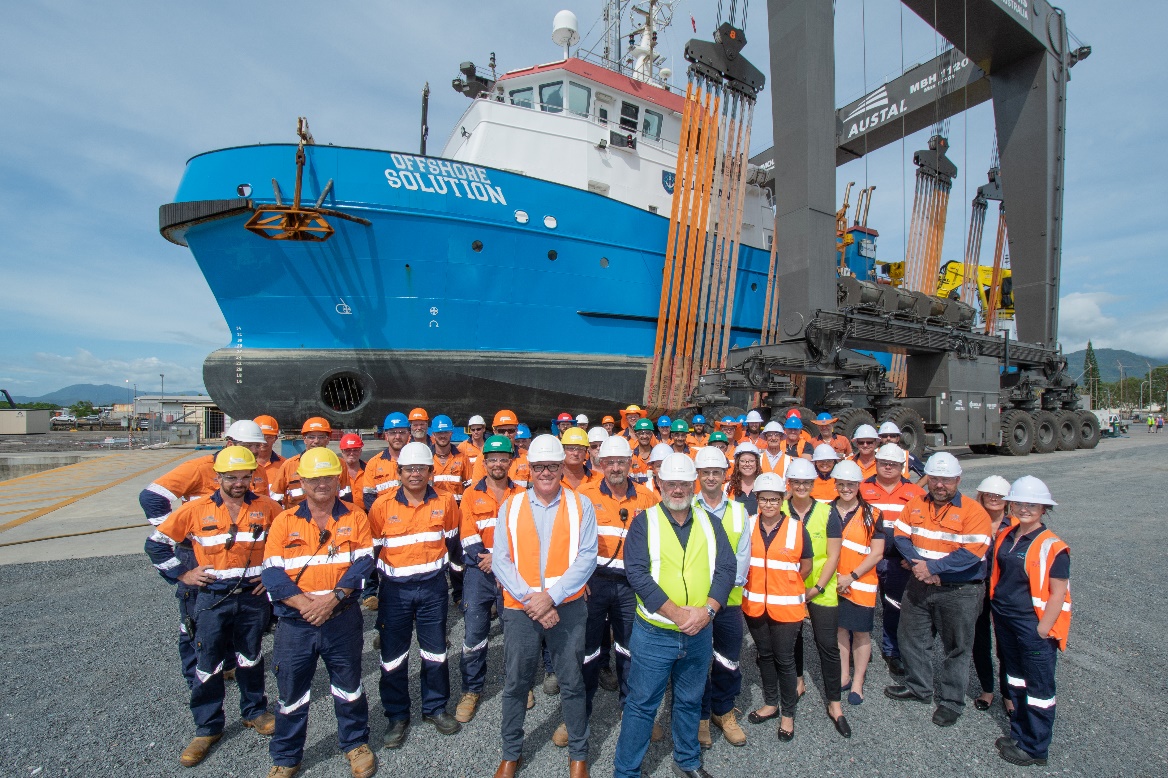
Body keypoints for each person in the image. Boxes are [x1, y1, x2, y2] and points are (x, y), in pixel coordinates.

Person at [144, 446, 282, 767]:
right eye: (231, 477)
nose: (238, 483)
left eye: (245, 477)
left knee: (250, 655)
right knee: (207, 659)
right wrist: (183, 574)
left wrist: (272, 577)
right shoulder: (196, 510)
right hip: (212, 596)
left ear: (252, 476)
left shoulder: (267, 508)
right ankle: (207, 726)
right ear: (217, 476)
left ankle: (255, 711)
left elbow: (288, 543)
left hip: (251, 595)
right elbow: (156, 544)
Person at [613, 453, 736, 778]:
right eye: (671, 484)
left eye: (683, 483)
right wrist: (678, 614)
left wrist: (708, 610)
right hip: (655, 633)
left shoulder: (710, 523)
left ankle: (688, 761)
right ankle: (626, 772)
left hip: (699, 632)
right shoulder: (645, 523)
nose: (678, 490)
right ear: (660, 484)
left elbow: (726, 568)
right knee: (641, 705)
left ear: (692, 485)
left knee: (689, 701)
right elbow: (637, 573)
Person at [260, 448, 376, 778]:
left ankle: (355, 744)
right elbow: (271, 572)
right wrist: (307, 605)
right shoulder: (285, 521)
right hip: (297, 624)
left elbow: (364, 562)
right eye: (314, 479)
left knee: (348, 685)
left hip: (341, 619)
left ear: (338, 479)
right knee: (291, 693)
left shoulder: (354, 516)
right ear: (301, 482)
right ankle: (286, 756)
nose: (321, 484)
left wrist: (332, 600)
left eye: (327, 477)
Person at [491, 434, 598, 778]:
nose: (546, 473)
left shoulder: (581, 505)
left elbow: (587, 558)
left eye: (552, 466)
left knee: (571, 681)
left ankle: (578, 754)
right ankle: (511, 753)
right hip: (521, 610)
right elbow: (501, 561)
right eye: (539, 467)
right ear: (530, 469)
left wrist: (549, 597)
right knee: (516, 683)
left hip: (565, 608)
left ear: (562, 468)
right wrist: (532, 600)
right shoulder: (511, 506)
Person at [140, 419, 270, 689]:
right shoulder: (199, 468)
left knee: (235, 617)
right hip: (197, 553)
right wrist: (181, 532)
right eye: (249, 447)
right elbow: (152, 496)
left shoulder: (256, 471)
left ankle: (231, 666)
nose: (255, 453)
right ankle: (197, 680)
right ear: (229, 444)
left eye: (258, 448)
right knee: (196, 620)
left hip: (240, 559)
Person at [548, 436, 658, 746]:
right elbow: (569, 542)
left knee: (630, 649)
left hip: (630, 587)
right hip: (593, 585)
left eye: (621, 462)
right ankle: (576, 716)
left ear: (630, 464)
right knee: (587, 651)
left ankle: (633, 713)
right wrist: (576, 582)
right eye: (609, 463)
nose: (615, 468)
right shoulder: (584, 495)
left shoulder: (648, 500)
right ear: (601, 464)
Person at [885, 452, 992, 728]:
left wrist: (933, 569)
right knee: (912, 638)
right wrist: (918, 564)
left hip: (959, 591)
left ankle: (951, 702)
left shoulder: (973, 511)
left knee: (957, 646)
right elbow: (900, 535)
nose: (939, 485)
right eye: (934, 479)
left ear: (958, 479)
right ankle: (919, 687)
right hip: (919, 584)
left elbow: (972, 552)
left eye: (946, 480)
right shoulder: (916, 504)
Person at [369, 442, 462, 748]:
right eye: (409, 469)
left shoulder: (446, 503)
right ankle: (397, 715)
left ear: (430, 472)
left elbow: (451, 541)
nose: (415, 474)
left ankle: (435, 708)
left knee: (434, 651)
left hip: (433, 590)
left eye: (421, 468)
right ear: (400, 472)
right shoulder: (382, 507)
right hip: (394, 593)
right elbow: (372, 550)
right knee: (393, 657)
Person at [990, 476, 1071, 767]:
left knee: (1038, 688)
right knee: (1016, 679)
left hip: (1032, 624)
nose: (1024, 509)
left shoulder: (1053, 546)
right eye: (1019, 503)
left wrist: (1043, 628)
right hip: (1006, 618)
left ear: (1044, 509)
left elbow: (1058, 591)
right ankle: (1020, 734)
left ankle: (1036, 748)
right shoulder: (1007, 535)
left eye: (1032, 505)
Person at [456, 436, 526, 723]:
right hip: (479, 572)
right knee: (474, 632)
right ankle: (471, 689)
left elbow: (526, 536)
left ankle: (518, 685)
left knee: (515, 631)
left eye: (503, 458)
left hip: (512, 572)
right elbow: (468, 535)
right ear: (483, 463)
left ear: (511, 461)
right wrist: (490, 561)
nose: (498, 464)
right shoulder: (471, 494)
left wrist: (499, 561)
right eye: (492, 459)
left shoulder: (523, 494)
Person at [740, 472, 813, 742]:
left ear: (783, 500)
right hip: (755, 605)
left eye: (774, 499)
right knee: (765, 655)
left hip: (787, 609)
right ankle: (771, 704)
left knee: (785, 660)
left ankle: (788, 714)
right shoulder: (747, 525)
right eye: (764, 499)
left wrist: (786, 585)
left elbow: (806, 566)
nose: (769, 504)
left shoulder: (796, 528)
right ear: (757, 499)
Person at [784, 458, 850, 738]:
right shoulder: (780, 509)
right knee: (793, 639)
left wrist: (819, 588)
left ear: (813, 484)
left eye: (806, 482)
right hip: (789, 588)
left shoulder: (827, 512)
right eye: (796, 481)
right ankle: (799, 681)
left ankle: (835, 703)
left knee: (827, 645)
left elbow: (834, 554)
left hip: (821, 588)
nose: (801, 486)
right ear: (789, 483)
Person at [693, 446, 751, 748]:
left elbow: (742, 558)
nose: (711, 477)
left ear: (724, 475)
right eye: (706, 472)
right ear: (698, 475)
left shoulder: (739, 511)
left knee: (728, 658)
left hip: (728, 601)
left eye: (716, 472)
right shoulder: (688, 508)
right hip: (698, 600)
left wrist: (720, 594)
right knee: (699, 659)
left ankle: (723, 710)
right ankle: (702, 715)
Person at [859, 443, 926, 677]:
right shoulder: (862, 487)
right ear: (876, 463)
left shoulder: (916, 493)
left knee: (894, 605)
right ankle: (858, 650)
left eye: (893, 464)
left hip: (899, 562)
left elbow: (923, 528)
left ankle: (892, 650)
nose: (888, 467)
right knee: (861, 604)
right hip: (866, 559)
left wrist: (914, 558)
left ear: (902, 466)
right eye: (884, 463)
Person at [830, 460, 884, 706]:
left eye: (850, 484)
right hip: (833, 584)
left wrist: (850, 577)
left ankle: (858, 682)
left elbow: (877, 553)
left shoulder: (873, 514)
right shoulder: (826, 510)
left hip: (859, 583)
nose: (845, 488)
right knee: (840, 630)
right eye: (841, 484)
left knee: (861, 634)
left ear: (858, 485)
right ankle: (844, 675)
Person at [971, 475, 1012, 713]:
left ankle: (1008, 693)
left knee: (1006, 643)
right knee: (980, 640)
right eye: (989, 495)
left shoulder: (1016, 525)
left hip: (1005, 590)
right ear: (982, 496)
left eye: (999, 495)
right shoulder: (974, 521)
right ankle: (987, 689)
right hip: (978, 586)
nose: (994, 499)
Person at [270, 418, 352, 510]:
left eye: (321, 437)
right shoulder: (289, 465)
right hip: (296, 520)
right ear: (304, 439)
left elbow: (346, 497)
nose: (316, 441)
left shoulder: (339, 464)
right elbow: (275, 500)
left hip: (332, 518)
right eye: (311, 437)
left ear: (328, 439)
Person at [726, 442, 760, 515]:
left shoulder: (764, 486)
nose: (747, 464)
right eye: (742, 461)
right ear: (737, 463)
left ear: (757, 463)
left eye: (751, 461)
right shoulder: (727, 488)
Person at [254, 415, 285, 483]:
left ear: (275, 439)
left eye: (269, 437)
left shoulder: (285, 465)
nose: (264, 441)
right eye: (261, 437)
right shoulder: (243, 464)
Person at [338, 433, 366, 503]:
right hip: (342, 512)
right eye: (348, 450)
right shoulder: (336, 472)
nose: (351, 453)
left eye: (355, 450)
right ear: (342, 452)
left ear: (360, 451)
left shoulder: (370, 469)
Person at [630, 418, 657, 483]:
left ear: (651, 435)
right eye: (641, 433)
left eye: (648, 433)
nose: (645, 436)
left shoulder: (657, 456)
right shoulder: (630, 456)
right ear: (636, 435)